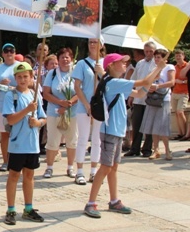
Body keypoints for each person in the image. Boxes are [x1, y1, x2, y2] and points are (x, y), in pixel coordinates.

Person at [84, 52, 168, 218]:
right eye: (121, 62)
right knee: (106, 167)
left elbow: (140, 93)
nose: (125, 65)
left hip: (116, 130)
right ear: (111, 66)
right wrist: (158, 68)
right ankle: (90, 203)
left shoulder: (115, 83)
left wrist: (151, 80)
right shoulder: (114, 82)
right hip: (110, 131)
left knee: (113, 167)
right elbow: (143, 83)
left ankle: (114, 200)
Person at [2, 62, 47, 225]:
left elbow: (43, 117)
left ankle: (28, 208)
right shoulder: (11, 96)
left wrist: (38, 123)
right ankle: (11, 208)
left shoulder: (36, 95)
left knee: (29, 175)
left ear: (31, 77)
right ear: (15, 78)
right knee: (14, 175)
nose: (22, 79)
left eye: (25, 76)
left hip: (32, 144)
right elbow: (11, 119)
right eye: (19, 77)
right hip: (17, 144)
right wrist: (27, 110)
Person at [42, 47, 79, 180]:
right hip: (54, 111)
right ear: (58, 59)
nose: (65, 59)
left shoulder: (76, 72)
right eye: (62, 57)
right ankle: (49, 167)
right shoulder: (52, 74)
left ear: (72, 59)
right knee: (52, 140)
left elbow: (81, 92)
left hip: (72, 112)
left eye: (67, 57)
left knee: (72, 140)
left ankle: (70, 167)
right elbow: (46, 93)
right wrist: (60, 102)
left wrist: (69, 103)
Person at [72, 38, 104, 184]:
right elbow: (77, 86)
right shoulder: (81, 63)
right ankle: (79, 171)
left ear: (101, 45)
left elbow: (111, 82)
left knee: (97, 139)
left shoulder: (105, 63)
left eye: (95, 42)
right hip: (84, 105)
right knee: (83, 138)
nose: (92, 44)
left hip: (100, 105)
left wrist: (102, 72)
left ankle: (93, 171)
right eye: (90, 42)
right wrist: (86, 104)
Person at [0, 43, 20, 172]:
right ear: (2, 54)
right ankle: (6, 161)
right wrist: (0, 84)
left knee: (18, 133)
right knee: (5, 134)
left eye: (11, 51)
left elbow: (29, 84)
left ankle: (18, 160)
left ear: (15, 52)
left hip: (18, 104)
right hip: (3, 106)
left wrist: (14, 87)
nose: (9, 53)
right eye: (6, 51)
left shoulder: (20, 66)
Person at [140, 49, 175, 160]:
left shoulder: (169, 67)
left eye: (159, 57)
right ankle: (156, 150)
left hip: (163, 98)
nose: (156, 59)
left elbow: (172, 82)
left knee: (162, 125)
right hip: (152, 98)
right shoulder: (153, 68)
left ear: (164, 58)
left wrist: (158, 86)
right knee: (153, 125)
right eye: (155, 57)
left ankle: (167, 150)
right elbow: (149, 80)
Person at [125, 42, 157, 157]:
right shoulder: (140, 63)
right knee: (136, 123)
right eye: (146, 51)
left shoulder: (157, 63)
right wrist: (131, 96)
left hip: (150, 98)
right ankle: (135, 148)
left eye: (151, 51)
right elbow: (133, 80)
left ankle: (147, 149)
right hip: (139, 98)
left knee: (149, 125)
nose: (148, 53)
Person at [172, 50, 189, 140]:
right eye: (176, 56)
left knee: (180, 111)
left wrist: (182, 82)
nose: (178, 58)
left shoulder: (187, 66)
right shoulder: (174, 67)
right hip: (175, 92)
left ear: (183, 56)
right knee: (176, 113)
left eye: (179, 56)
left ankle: (185, 134)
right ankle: (180, 133)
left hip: (184, 92)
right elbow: (172, 80)